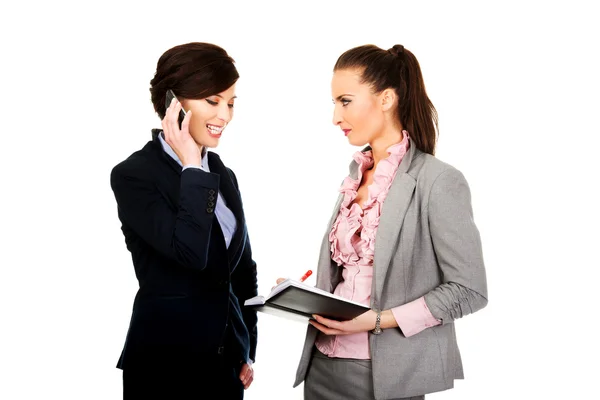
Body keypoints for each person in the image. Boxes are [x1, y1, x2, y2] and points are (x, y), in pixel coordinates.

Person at [289, 44, 488, 400]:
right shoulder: (355, 178)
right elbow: (352, 278)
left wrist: (378, 320)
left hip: (386, 375)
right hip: (321, 366)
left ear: (386, 99)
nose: (335, 116)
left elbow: (468, 290)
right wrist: (301, 297)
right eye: (334, 103)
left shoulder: (438, 181)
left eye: (345, 101)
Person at [110, 42, 257, 400]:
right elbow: (190, 253)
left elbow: (241, 272)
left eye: (231, 102)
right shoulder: (134, 176)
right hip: (164, 367)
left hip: (225, 369)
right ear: (173, 103)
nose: (225, 115)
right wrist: (192, 166)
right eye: (213, 101)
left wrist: (246, 347)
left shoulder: (223, 175)